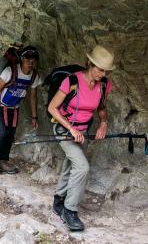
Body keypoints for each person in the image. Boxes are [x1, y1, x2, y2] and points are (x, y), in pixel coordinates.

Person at [47, 45, 115, 232]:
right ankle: (70, 211)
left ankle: (58, 200)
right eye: (99, 69)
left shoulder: (103, 85)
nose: (102, 73)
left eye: (106, 70)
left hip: (82, 131)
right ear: (90, 64)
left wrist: (103, 123)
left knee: (72, 165)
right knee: (82, 167)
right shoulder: (71, 81)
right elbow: (52, 108)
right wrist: (71, 128)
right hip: (63, 128)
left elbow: (101, 107)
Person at [0, 45, 43, 174]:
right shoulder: (10, 71)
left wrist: (35, 117)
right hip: (1, 106)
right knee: (1, 133)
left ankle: (4, 160)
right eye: (28, 58)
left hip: (14, 109)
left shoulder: (34, 76)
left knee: (9, 135)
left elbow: (33, 97)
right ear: (22, 59)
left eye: (34, 58)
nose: (31, 61)